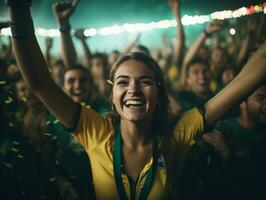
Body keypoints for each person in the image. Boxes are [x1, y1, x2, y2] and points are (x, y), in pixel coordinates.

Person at [7, 0, 266, 199]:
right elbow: (40, 82)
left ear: (160, 93)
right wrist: (18, 7)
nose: (133, 89)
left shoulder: (178, 134)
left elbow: (245, 80)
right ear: (112, 96)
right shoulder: (96, 132)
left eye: (144, 82)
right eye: (123, 82)